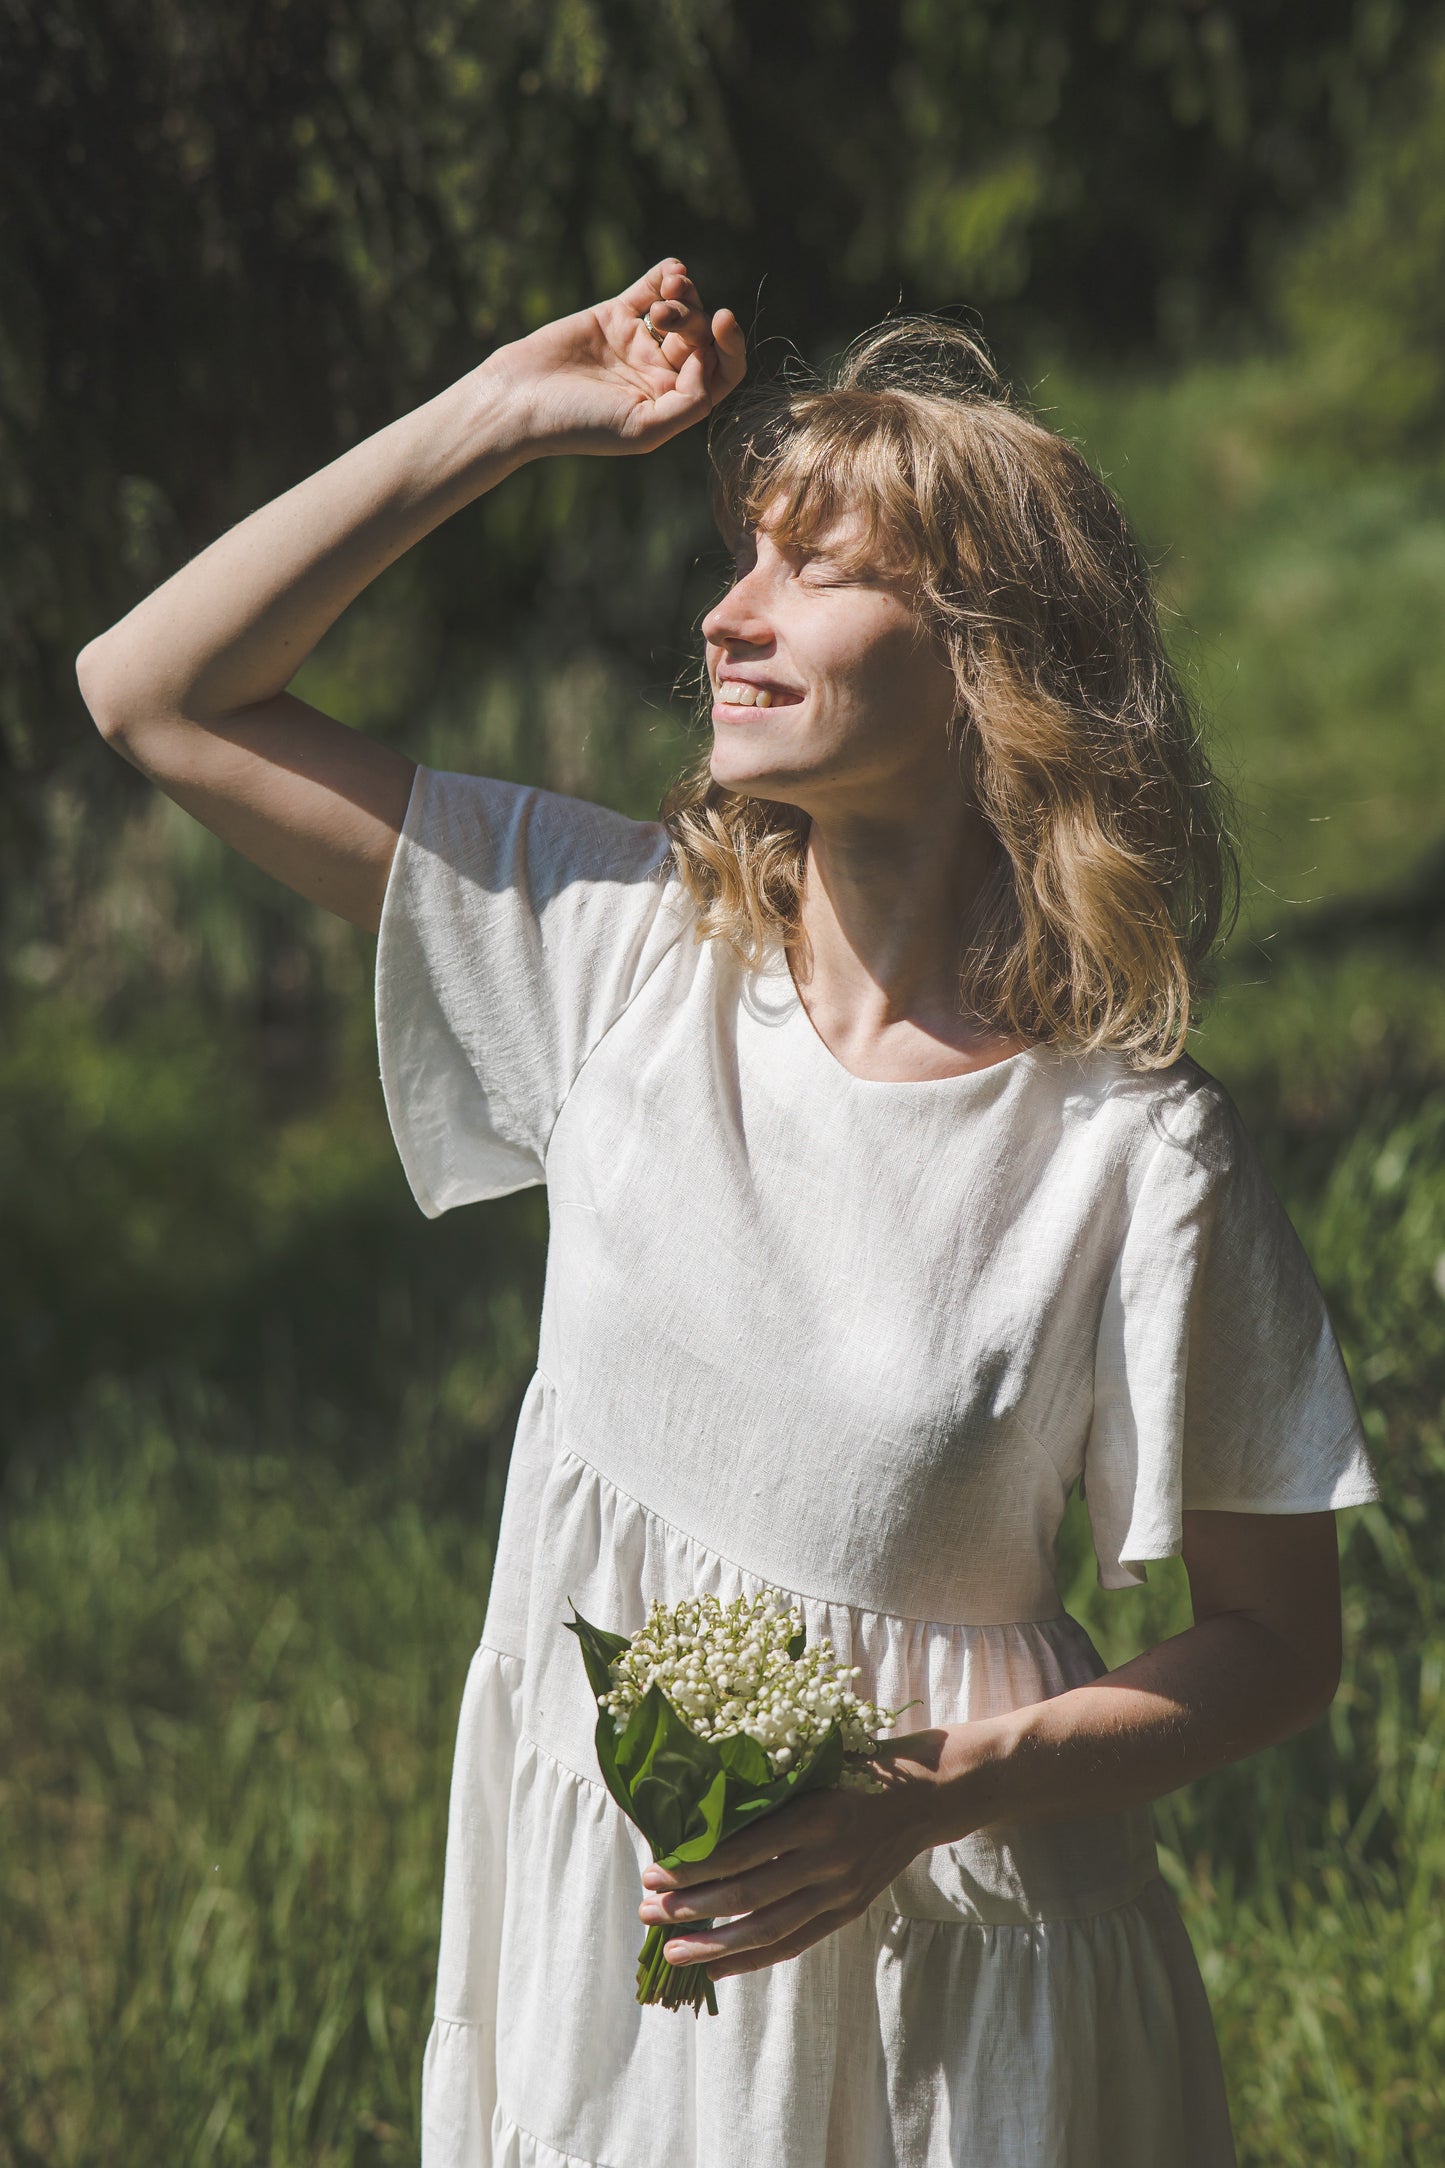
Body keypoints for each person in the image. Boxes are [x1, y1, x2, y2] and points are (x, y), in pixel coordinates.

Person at [76, 257, 1380, 2168]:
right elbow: (154, 691)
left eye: (812, 572)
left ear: (986, 668)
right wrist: (501, 413)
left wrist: (931, 1790)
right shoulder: (613, 960)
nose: (727, 615)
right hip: (609, 1962)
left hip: (960, 2014)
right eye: (736, 558)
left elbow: (1277, 1642)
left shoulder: (1131, 1155)